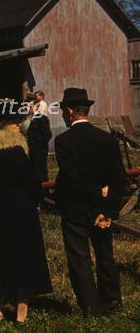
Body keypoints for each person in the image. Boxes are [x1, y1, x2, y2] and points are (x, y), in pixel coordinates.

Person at [0, 102, 52, 323]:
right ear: (2, 123)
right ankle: (21, 307)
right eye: (13, 120)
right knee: (23, 254)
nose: (18, 123)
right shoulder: (15, 150)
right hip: (19, 208)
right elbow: (30, 180)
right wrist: (38, 197)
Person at [54, 88, 125, 317]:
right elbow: (118, 177)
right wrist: (108, 208)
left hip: (75, 210)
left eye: (65, 111)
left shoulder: (63, 141)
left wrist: (95, 193)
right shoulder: (108, 140)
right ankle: (112, 301)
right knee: (105, 255)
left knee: (80, 259)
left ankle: (91, 307)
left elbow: (72, 177)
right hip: (102, 211)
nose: (64, 116)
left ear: (71, 111)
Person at [25, 95, 52, 182]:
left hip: (39, 151)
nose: (29, 108)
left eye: (30, 106)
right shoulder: (32, 118)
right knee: (34, 172)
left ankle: (44, 191)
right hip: (33, 151)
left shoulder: (42, 118)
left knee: (40, 173)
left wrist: (36, 146)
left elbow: (47, 134)